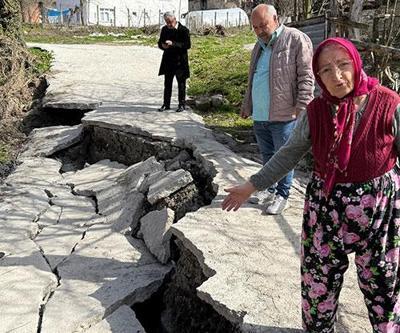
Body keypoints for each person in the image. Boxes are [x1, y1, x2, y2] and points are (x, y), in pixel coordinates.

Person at [222, 37, 400, 332]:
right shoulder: (316, 111)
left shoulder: (388, 103)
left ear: (356, 64)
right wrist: (251, 186)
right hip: (326, 208)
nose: (337, 76)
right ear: (318, 76)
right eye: (326, 70)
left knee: (383, 283)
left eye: (343, 65)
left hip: (379, 210)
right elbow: (289, 153)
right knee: (319, 283)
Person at [241, 4, 314, 215]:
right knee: (267, 154)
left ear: (276, 18)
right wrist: (248, 104)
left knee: (284, 156)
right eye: (255, 27)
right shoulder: (259, 45)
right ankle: (269, 188)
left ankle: (283, 194)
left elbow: (306, 76)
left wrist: (303, 107)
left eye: (263, 25)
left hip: (285, 113)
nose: (260, 31)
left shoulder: (295, 39)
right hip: (261, 114)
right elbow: (253, 78)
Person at [157, 12, 191, 113]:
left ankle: (182, 104)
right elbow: (160, 42)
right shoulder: (164, 29)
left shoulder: (183, 30)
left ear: (175, 19)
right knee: (167, 83)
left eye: (170, 22)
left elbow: (187, 45)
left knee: (181, 84)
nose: (169, 24)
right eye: (167, 22)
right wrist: (162, 46)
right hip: (168, 61)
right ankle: (166, 104)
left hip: (180, 61)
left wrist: (173, 44)